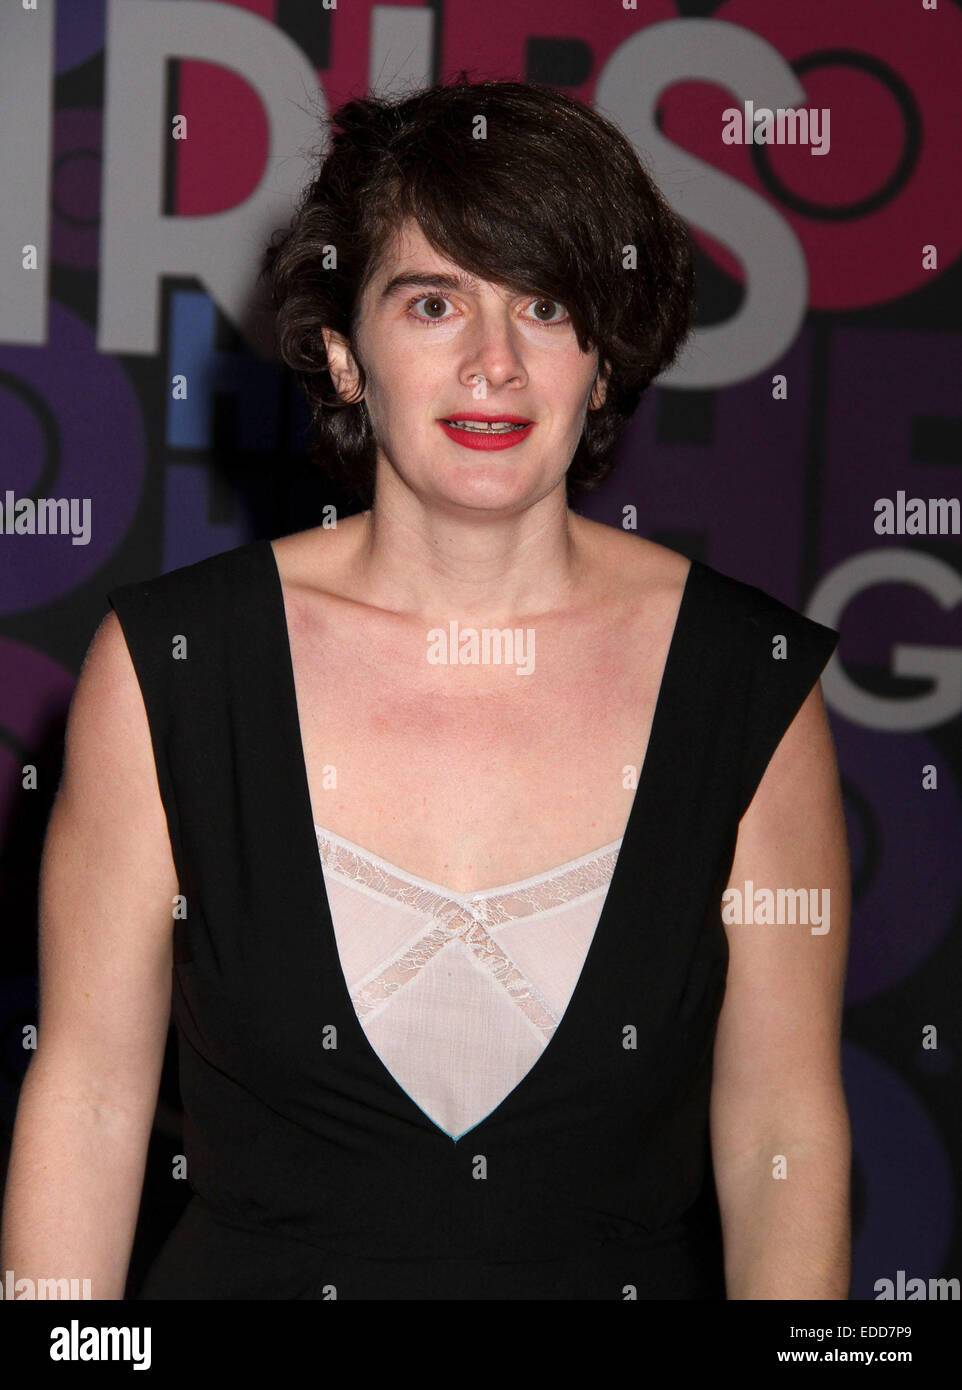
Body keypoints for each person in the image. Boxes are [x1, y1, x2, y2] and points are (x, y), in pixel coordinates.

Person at [1, 76, 851, 1300]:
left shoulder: (747, 684)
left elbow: (782, 1130)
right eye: (433, 302)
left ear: (602, 363)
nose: (492, 363)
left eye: (546, 306)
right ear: (345, 354)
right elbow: (86, 1101)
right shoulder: (176, 667)